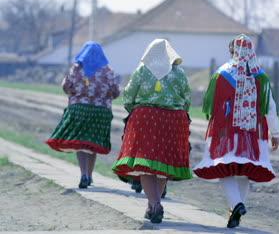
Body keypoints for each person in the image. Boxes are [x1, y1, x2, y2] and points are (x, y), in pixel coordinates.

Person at [194, 34, 279, 228]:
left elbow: (212, 105)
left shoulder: (221, 74)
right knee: (245, 172)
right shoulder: (261, 77)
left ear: (231, 51)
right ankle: (237, 207)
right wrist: (275, 132)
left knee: (225, 168)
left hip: (227, 133)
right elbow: (270, 107)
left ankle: (237, 205)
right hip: (253, 135)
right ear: (251, 52)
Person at [112, 39, 192, 224]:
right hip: (173, 121)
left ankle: (155, 204)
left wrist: (134, 109)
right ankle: (152, 205)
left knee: (145, 163)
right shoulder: (179, 73)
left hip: (146, 119)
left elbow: (128, 96)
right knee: (164, 164)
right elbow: (187, 99)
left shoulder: (142, 70)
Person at [46, 41, 120, 189]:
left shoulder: (76, 68)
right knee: (92, 144)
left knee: (81, 144)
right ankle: (90, 175)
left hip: (79, 110)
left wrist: (76, 94)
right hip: (100, 113)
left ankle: (84, 174)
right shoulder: (108, 71)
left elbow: (66, 86)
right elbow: (116, 92)